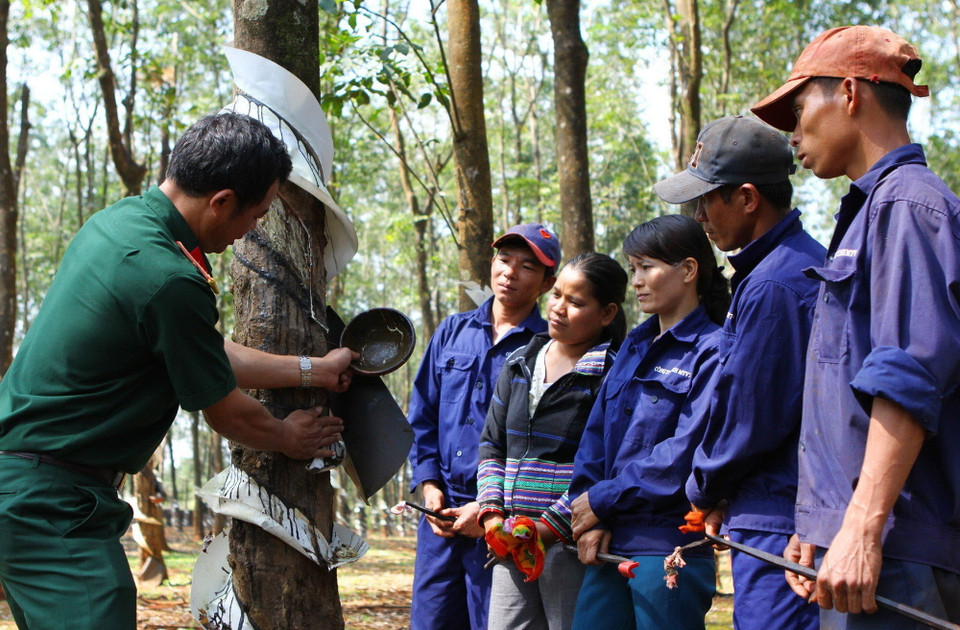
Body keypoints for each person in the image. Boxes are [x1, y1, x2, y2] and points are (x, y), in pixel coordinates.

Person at [0, 112, 358, 630]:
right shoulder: (167, 276)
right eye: (254, 216)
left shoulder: (120, 227)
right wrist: (286, 435)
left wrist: (314, 371)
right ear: (222, 201)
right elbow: (225, 412)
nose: (248, 233)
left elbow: (201, 351)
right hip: (50, 502)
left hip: (32, 487)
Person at [752, 25, 960, 626]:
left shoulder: (909, 207)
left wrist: (862, 528)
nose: (792, 133)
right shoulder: (869, 214)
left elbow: (908, 377)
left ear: (848, 93)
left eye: (797, 108)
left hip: (896, 549)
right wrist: (817, 521)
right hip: (856, 547)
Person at [654, 115, 825, 630]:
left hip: (779, 515)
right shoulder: (773, 271)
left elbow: (750, 416)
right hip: (768, 508)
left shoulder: (777, 283)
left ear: (748, 198)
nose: (700, 215)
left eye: (708, 198)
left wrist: (703, 487)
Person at [568, 215, 730, 630]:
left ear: (689, 270)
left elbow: (685, 452)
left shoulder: (713, 350)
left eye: (647, 267)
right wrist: (592, 516)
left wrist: (604, 500)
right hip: (607, 543)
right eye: (633, 268)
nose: (636, 280)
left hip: (667, 547)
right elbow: (596, 436)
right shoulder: (634, 345)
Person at [407, 223, 561, 630]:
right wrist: (429, 486)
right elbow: (421, 415)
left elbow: (546, 448)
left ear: (548, 283)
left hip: (503, 522)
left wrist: (491, 509)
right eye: (504, 260)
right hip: (440, 518)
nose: (510, 272)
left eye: (527, 266)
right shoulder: (452, 332)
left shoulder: (548, 347)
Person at [477, 252, 627, 630]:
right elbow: (492, 445)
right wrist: (494, 516)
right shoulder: (518, 363)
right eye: (557, 294)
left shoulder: (612, 376)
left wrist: (545, 528)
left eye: (576, 302)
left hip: (570, 545)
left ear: (607, 313)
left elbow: (606, 465)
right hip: (510, 543)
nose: (559, 308)